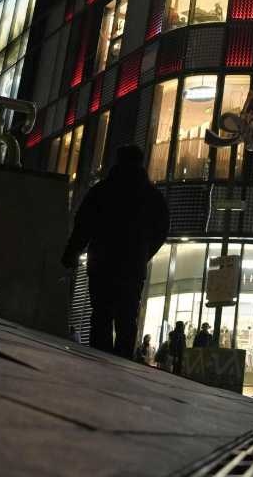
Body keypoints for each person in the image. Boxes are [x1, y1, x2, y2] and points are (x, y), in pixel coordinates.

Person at [61, 145, 169, 359]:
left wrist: (72, 253)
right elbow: (161, 231)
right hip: (132, 266)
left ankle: (98, 361)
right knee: (126, 318)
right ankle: (122, 364)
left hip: (102, 262)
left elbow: (83, 225)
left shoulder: (102, 190)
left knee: (101, 315)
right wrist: (143, 254)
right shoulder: (153, 196)